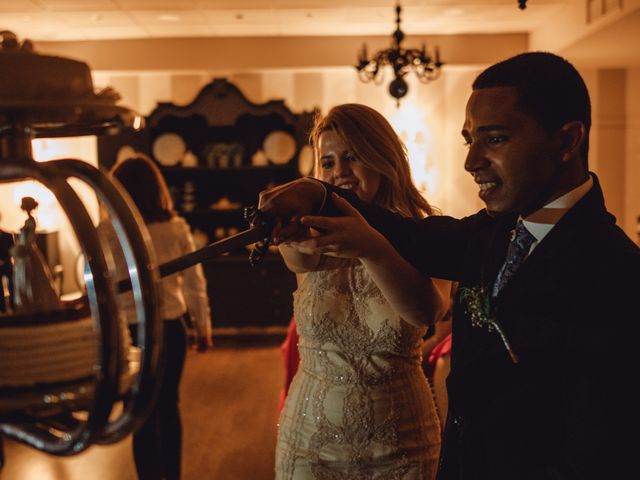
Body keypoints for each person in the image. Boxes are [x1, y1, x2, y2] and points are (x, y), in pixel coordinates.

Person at [259, 52, 640, 479]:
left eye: (494, 139)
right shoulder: (492, 231)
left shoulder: (619, 274)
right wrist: (317, 193)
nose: (471, 161)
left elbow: (602, 448)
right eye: (469, 140)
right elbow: (413, 237)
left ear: (567, 141)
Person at [275, 103, 450, 479]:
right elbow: (298, 260)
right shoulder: (310, 237)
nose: (340, 172)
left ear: (382, 158)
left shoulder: (426, 233)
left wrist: (371, 246)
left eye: (352, 157)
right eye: (328, 162)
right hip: (310, 441)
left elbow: (425, 312)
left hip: (401, 443)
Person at [105, 153, 212, 480]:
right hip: (171, 328)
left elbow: (101, 292)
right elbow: (195, 283)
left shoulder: (104, 232)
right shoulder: (176, 227)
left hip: (130, 334)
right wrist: (203, 327)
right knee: (169, 406)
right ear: (157, 189)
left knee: (138, 414)